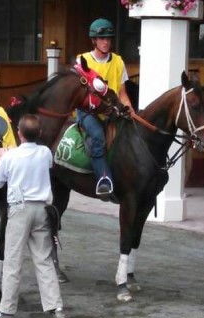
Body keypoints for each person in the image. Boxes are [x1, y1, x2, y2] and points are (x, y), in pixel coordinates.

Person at [0, 113, 65, 318]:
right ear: (38, 133)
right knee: (44, 259)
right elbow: (46, 165)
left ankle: (7, 310)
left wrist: (3, 158)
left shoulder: (11, 157)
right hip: (42, 209)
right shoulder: (45, 153)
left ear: (19, 134)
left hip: (20, 209)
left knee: (13, 260)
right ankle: (55, 307)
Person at [76, 18, 133, 201]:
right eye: (102, 39)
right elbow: (78, 94)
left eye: (108, 38)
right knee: (99, 137)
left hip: (114, 110)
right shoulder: (82, 60)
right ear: (94, 40)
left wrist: (129, 109)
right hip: (88, 112)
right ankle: (103, 180)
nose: (106, 42)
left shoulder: (118, 61)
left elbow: (122, 93)